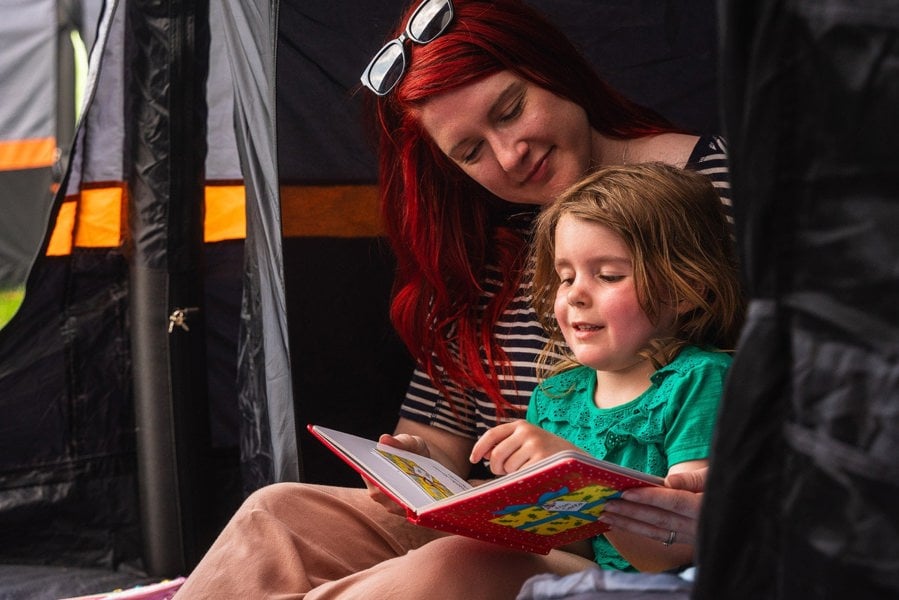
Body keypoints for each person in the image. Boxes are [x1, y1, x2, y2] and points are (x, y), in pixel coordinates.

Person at [174, 1, 732, 597]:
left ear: (551, 68)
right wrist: (412, 467)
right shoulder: (486, 253)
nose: (510, 154)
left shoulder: (719, 190)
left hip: (643, 546)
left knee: (450, 567)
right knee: (276, 511)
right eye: (471, 153)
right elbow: (441, 443)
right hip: (520, 533)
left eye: (512, 109)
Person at [470, 163, 744, 574]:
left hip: (661, 585)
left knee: (452, 564)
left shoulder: (701, 380)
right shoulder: (555, 398)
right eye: (566, 277)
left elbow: (673, 550)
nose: (576, 294)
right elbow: (573, 547)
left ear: (687, 291)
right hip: (575, 577)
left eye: (609, 275)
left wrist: (574, 472)